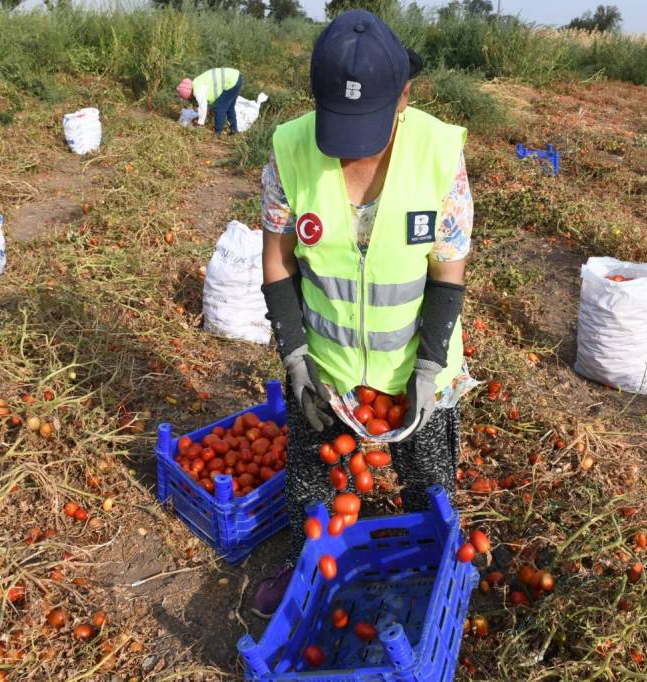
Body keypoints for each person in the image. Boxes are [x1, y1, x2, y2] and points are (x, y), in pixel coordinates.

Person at [252, 9, 474, 618]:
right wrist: (295, 354)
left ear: (404, 94)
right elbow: (278, 258)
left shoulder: (437, 154)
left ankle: (431, 579)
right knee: (312, 480)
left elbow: (447, 270)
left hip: (415, 367)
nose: (352, 146)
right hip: (329, 365)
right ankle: (308, 565)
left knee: (428, 478)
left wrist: (430, 367)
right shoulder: (290, 152)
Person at [176, 67, 243, 135]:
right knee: (229, 107)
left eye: (188, 97)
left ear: (189, 93)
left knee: (219, 108)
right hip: (236, 77)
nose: (190, 99)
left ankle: (218, 132)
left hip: (231, 81)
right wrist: (200, 117)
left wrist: (200, 123)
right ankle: (234, 130)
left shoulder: (198, 91)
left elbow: (203, 107)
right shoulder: (197, 82)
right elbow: (206, 105)